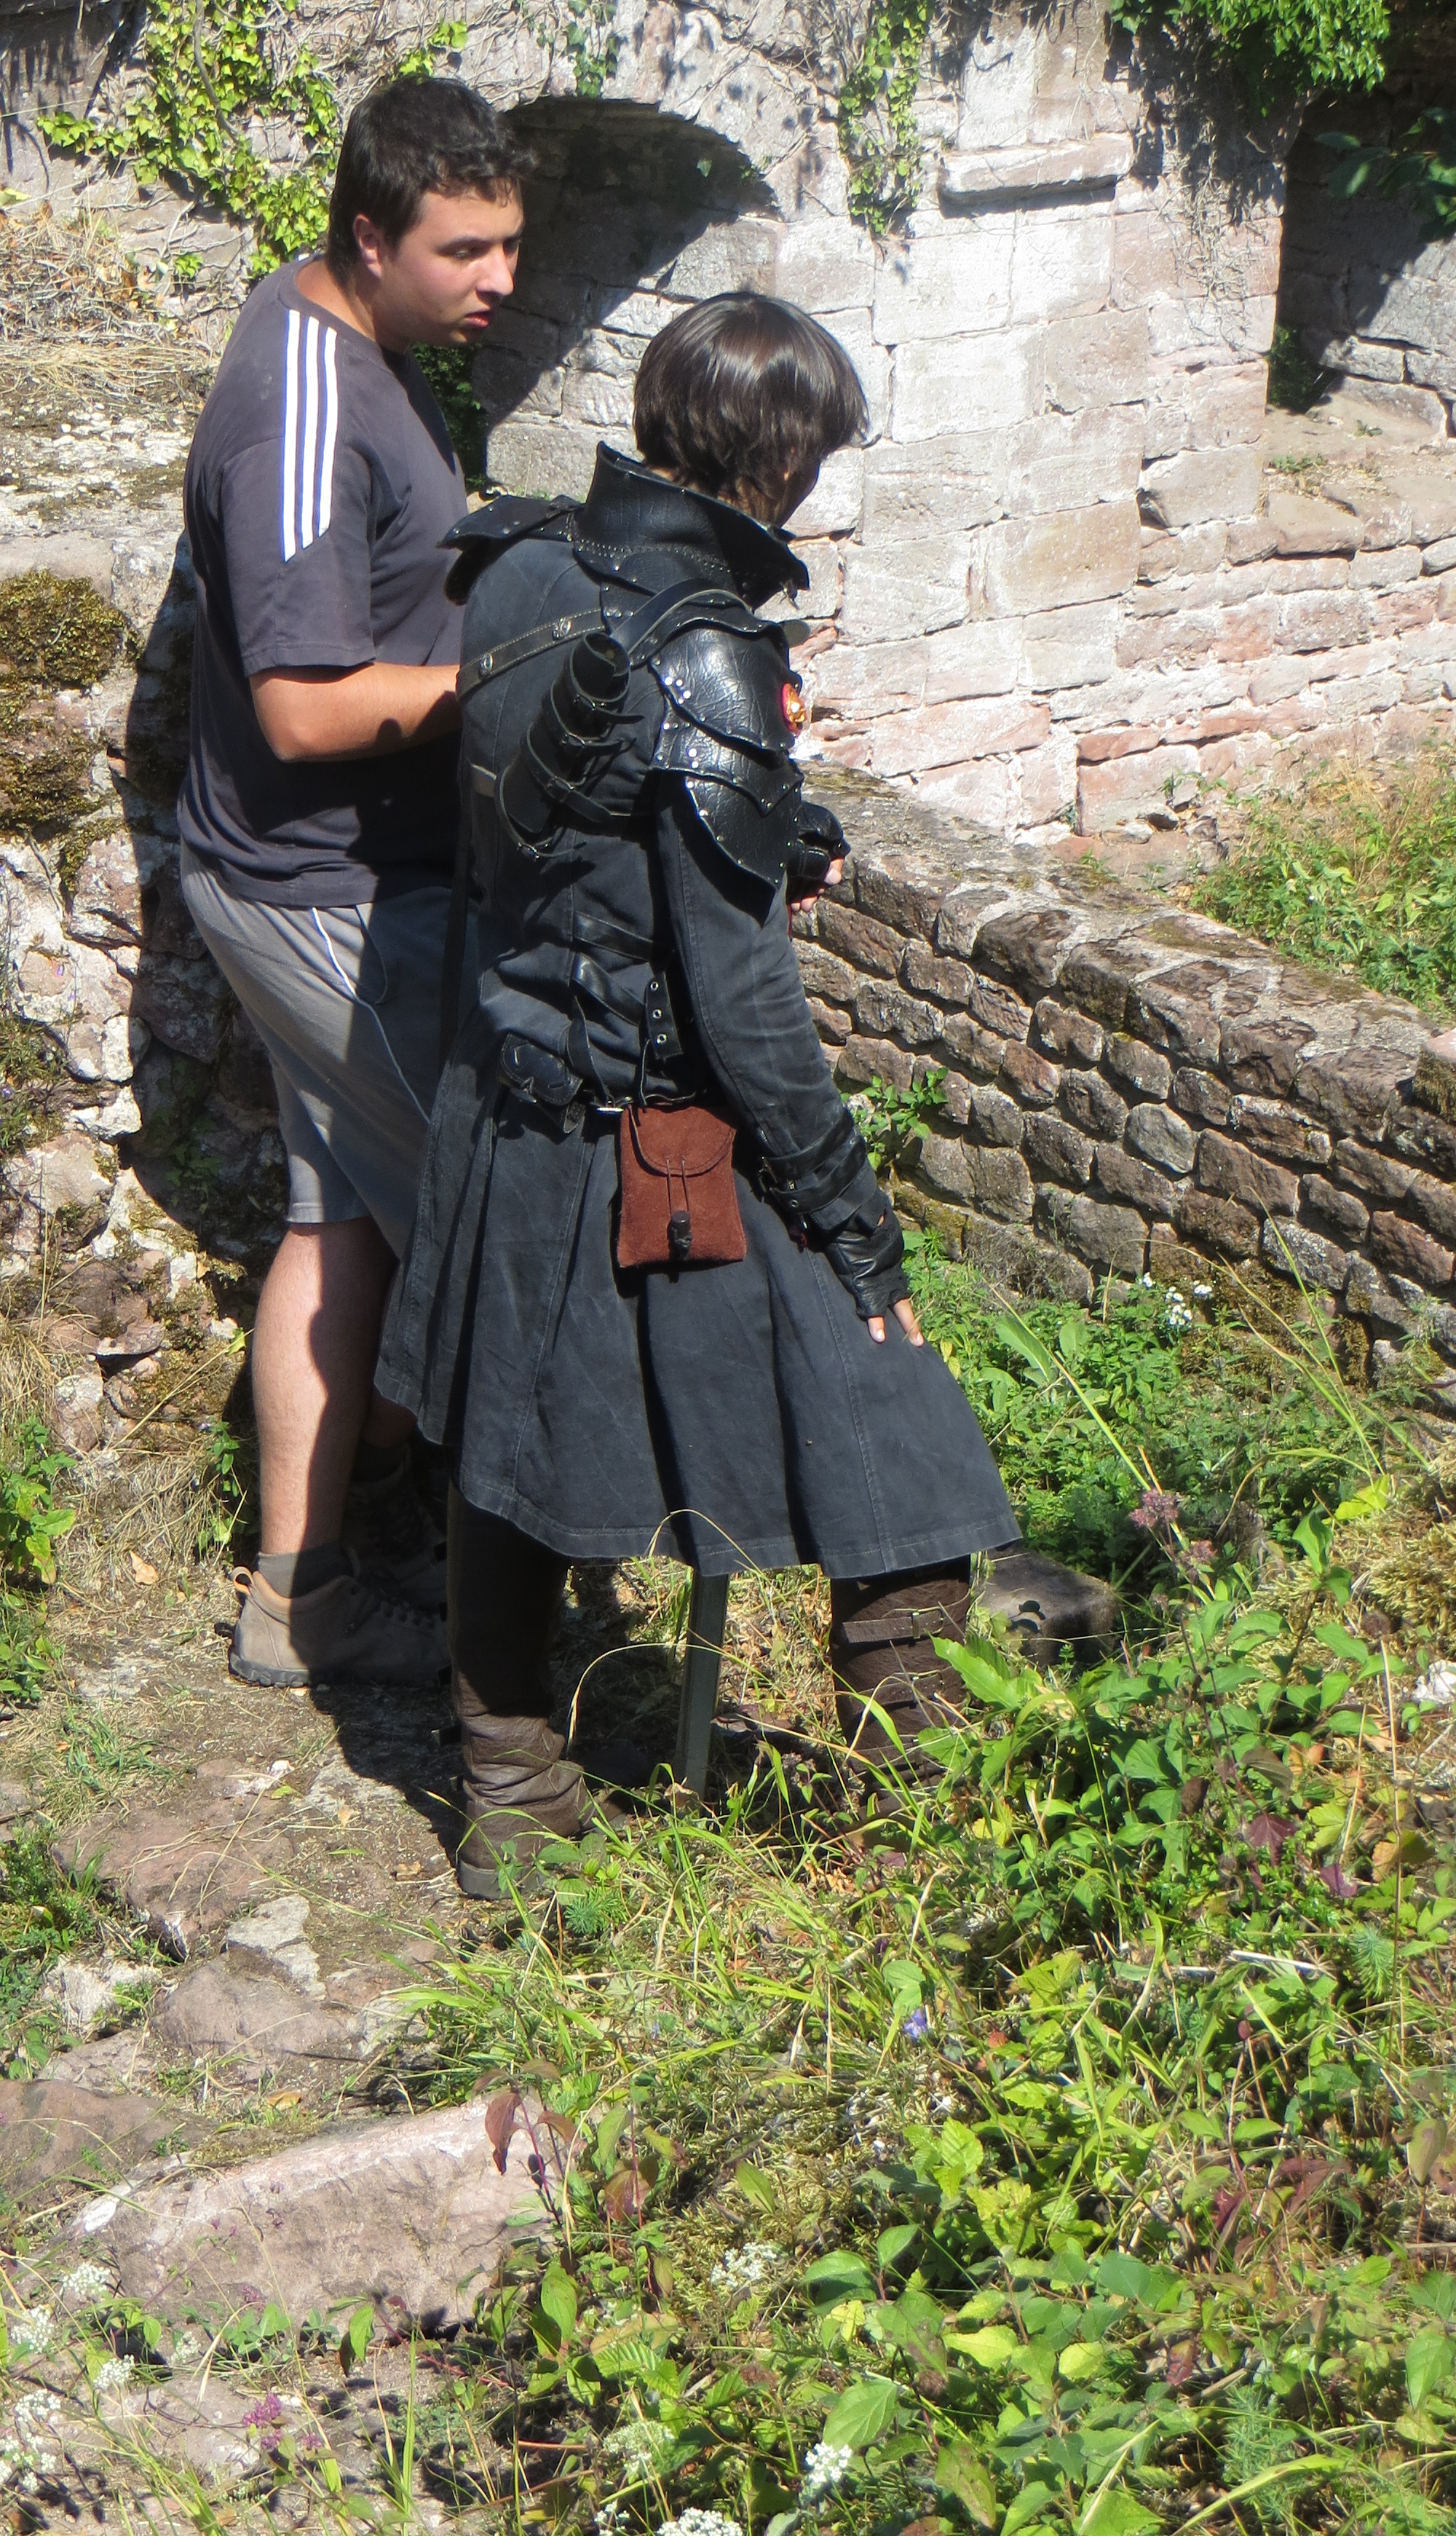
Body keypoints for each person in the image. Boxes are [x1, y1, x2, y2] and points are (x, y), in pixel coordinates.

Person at [377, 291, 1090, 1897]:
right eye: (813, 461)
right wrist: (851, 1216)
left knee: (508, 1444)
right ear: (782, 464)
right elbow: (745, 1000)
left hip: (504, 1093)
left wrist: (778, 827)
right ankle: (934, 1826)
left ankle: (511, 1796)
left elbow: (563, 819)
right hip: (652, 1130)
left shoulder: (524, 559)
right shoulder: (705, 647)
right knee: (895, 1412)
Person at [177, 77, 531, 1692]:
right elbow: (303, 710)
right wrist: (512, 675)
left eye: (511, 245)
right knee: (484, 1215)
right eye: (466, 250)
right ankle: (452, 1596)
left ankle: (308, 1582)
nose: (499, 281)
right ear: (371, 237)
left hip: (335, 880)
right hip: (323, 892)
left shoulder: (354, 339)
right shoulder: (300, 409)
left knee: (340, 1223)